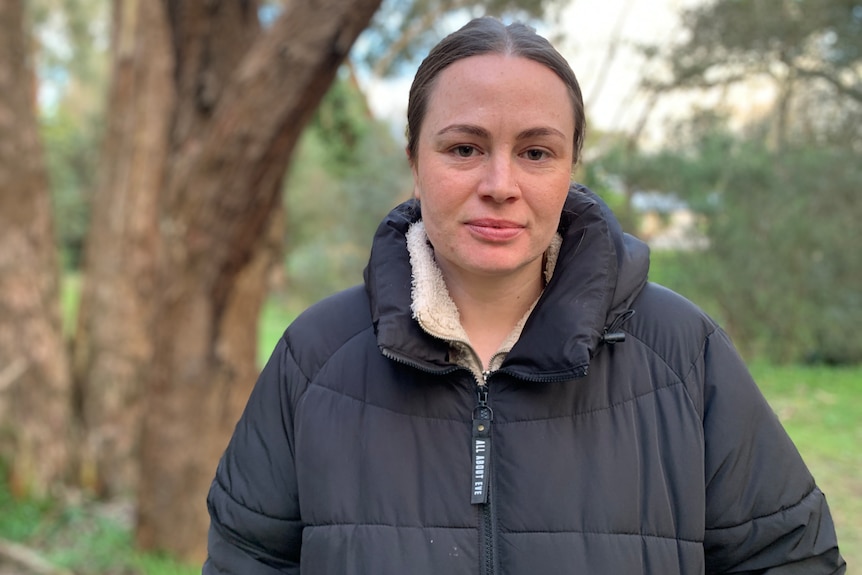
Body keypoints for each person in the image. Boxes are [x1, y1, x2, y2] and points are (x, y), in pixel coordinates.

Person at [203, 17, 846, 574]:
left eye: (536, 152)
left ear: (570, 166)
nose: (500, 184)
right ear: (414, 159)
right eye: (464, 148)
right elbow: (246, 557)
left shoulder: (683, 353)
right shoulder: (314, 359)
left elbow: (789, 556)